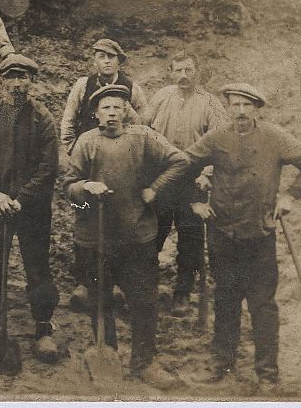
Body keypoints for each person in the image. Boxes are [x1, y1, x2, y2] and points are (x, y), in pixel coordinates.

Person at [184, 83, 301, 394]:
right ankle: (222, 365)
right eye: (235, 106)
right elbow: (183, 163)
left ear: (257, 108)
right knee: (226, 300)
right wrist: (195, 199)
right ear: (228, 108)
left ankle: (267, 376)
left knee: (263, 305)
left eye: (247, 106)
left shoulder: (274, 137)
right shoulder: (217, 137)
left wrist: (289, 197)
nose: (241, 111)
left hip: (259, 234)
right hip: (222, 233)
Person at [62, 84, 188, 388]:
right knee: (100, 299)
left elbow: (180, 160)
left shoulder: (144, 137)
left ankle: (144, 361)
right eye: (106, 108)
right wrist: (85, 189)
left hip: (137, 237)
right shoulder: (85, 142)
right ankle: (108, 356)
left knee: (144, 301)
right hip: (95, 238)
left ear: (127, 111)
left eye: (118, 107)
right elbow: (69, 190)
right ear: (95, 113)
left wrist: (154, 189)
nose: (113, 113)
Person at [0, 54, 60, 363]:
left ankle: (43, 329)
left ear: (31, 81)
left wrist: (24, 197)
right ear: (1, 80)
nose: (18, 83)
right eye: (12, 77)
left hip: (32, 207)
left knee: (37, 267)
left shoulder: (42, 117)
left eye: (24, 77)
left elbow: (48, 167)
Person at [60, 38, 147, 311]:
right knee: (84, 215)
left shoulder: (132, 88)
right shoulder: (82, 85)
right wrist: (72, 151)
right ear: (94, 60)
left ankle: (116, 281)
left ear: (119, 61)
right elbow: (68, 119)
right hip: (87, 161)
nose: (106, 61)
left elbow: (145, 121)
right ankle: (84, 282)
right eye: (101, 56)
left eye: (111, 56)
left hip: (122, 160)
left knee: (120, 216)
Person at [140, 51, 225, 316]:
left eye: (188, 70)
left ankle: (182, 293)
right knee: (152, 235)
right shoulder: (161, 97)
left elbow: (221, 142)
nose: (183, 76)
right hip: (162, 176)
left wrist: (207, 174)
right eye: (178, 71)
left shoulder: (210, 103)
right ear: (171, 72)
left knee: (191, 240)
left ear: (197, 71)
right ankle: (145, 290)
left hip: (193, 179)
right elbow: (141, 129)